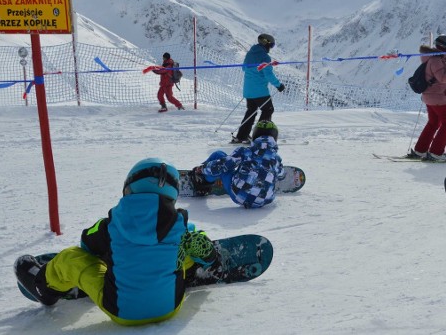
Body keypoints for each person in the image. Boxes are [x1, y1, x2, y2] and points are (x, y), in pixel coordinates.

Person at [15, 158, 218, 325]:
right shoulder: (182, 225)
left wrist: (115, 255)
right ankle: (188, 273)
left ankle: (44, 288)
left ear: (128, 188)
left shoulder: (111, 224)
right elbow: (202, 247)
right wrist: (208, 255)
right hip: (170, 306)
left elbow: (86, 244)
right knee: (185, 247)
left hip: (123, 312)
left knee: (71, 258)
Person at [191, 120, 285, 208]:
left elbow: (223, 164)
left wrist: (202, 169)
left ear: (255, 135)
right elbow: (281, 175)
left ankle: (203, 182)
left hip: (240, 197)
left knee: (218, 155)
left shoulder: (245, 151)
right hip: (264, 201)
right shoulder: (276, 158)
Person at [409, 34, 446, 161]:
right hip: (438, 98)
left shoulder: (432, 58)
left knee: (433, 123)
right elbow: (443, 79)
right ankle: (436, 153)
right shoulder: (436, 60)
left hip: (430, 97)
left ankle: (420, 150)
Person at [233, 34, 284, 144]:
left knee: (251, 111)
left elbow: (244, 68)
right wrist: (279, 85)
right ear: (267, 44)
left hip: (248, 90)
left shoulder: (250, 53)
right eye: (271, 46)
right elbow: (268, 75)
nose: (270, 48)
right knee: (268, 110)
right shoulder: (265, 57)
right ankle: (262, 135)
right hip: (260, 91)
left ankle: (242, 136)